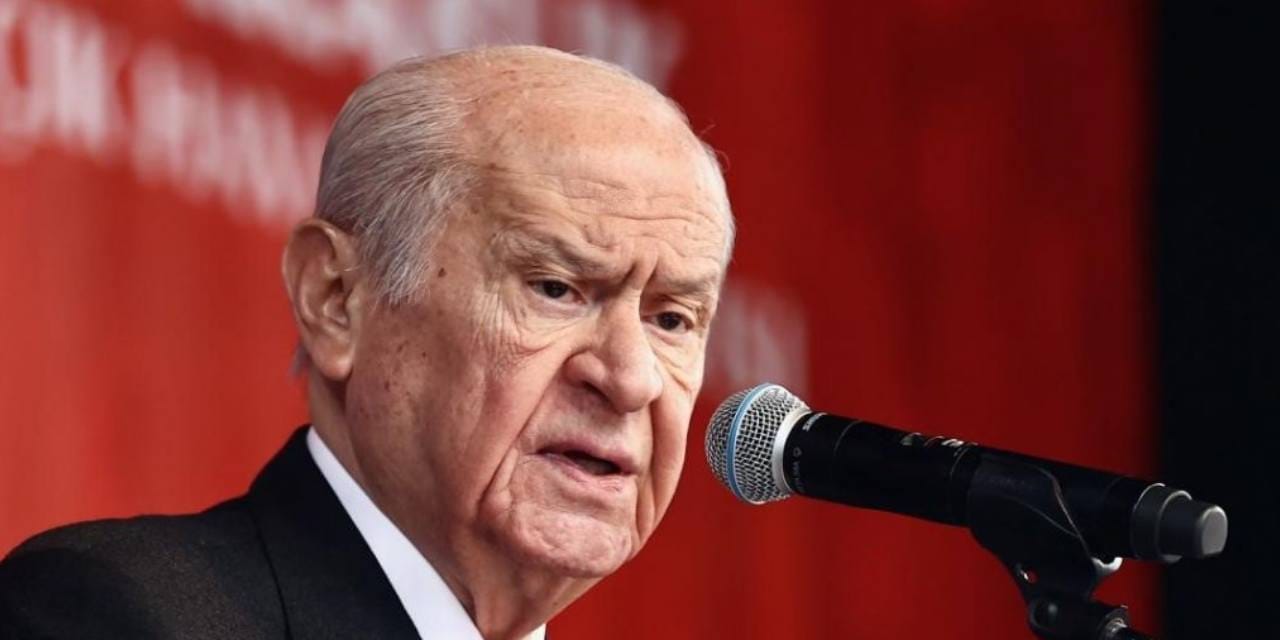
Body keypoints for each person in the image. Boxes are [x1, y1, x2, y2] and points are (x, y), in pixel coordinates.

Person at [0, 45, 734, 639]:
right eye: (555, 287)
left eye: (671, 319)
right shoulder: (117, 615)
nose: (631, 378)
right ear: (336, 300)